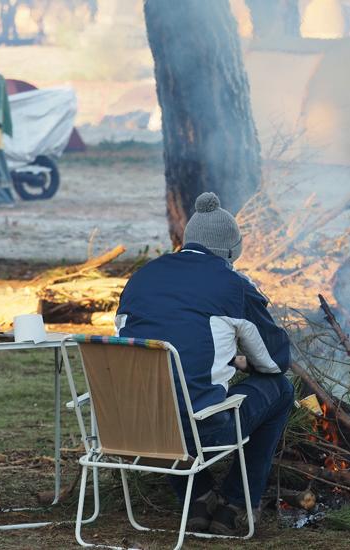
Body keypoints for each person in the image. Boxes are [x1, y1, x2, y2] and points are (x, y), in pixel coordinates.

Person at [114, 192, 293, 535]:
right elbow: (276, 360)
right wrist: (242, 362)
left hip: (133, 426)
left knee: (162, 397)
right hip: (202, 430)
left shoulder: (141, 278)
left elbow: (127, 346)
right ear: (230, 252)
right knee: (281, 390)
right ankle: (235, 505)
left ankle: (198, 498)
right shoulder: (233, 285)